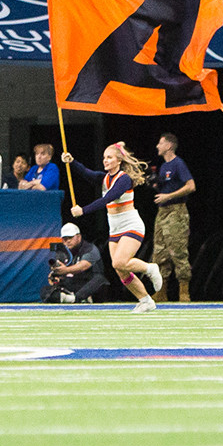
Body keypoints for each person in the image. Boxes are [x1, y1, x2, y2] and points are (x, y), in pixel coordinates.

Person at [62, 142, 165, 312]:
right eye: (104, 158)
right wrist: (71, 161)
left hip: (131, 225)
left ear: (118, 160)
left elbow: (108, 198)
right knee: (120, 269)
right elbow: (87, 173)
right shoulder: (105, 178)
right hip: (115, 229)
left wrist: (83, 210)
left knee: (120, 261)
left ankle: (150, 268)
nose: (105, 160)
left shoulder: (123, 179)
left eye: (109, 157)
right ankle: (145, 300)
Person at [151, 133, 196, 302]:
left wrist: (168, 196)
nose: (157, 146)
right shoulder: (164, 166)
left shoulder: (178, 164)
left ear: (169, 146)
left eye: (160, 143)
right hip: (162, 212)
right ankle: (161, 291)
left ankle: (184, 291)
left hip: (176, 211)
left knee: (178, 250)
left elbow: (191, 186)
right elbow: (166, 186)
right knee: (160, 252)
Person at [41, 222, 109, 304]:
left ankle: (76, 298)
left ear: (79, 237)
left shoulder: (90, 248)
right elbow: (60, 271)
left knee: (99, 280)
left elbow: (83, 266)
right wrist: (55, 275)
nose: (68, 241)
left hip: (88, 284)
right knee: (45, 291)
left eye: (70, 237)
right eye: (65, 239)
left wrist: (65, 270)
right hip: (73, 284)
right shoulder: (62, 251)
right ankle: (75, 299)